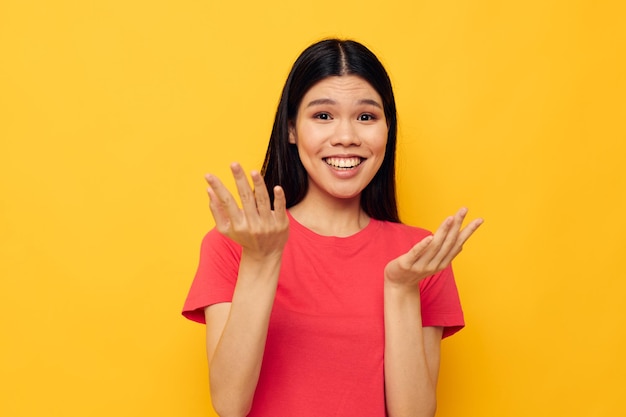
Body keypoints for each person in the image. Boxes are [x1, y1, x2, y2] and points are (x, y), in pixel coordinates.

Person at [182, 38, 483, 417]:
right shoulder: (236, 244)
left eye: (366, 117)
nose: (346, 136)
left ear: (387, 131)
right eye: (323, 116)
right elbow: (229, 405)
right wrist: (262, 263)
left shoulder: (419, 255)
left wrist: (401, 289)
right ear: (291, 129)